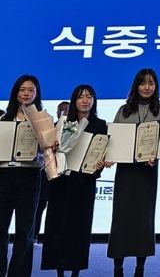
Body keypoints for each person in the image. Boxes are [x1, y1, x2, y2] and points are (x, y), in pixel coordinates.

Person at [107, 68, 160, 277]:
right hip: (125, 173)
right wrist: (110, 155)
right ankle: (118, 268)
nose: (147, 87)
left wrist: (157, 154)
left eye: (151, 83)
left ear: (156, 87)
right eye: (143, 83)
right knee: (121, 219)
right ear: (136, 86)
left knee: (143, 221)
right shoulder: (123, 110)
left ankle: (140, 268)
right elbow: (113, 140)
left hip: (147, 172)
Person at [41, 85, 108, 277]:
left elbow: (102, 151)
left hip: (84, 183)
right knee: (57, 226)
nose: (85, 100)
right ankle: (59, 271)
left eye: (89, 96)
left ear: (94, 100)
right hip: (61, 183)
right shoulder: (62, 123)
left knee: (80, 228)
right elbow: (49, 151)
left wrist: (100, 163)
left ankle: (76, 271)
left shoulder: (100, 125)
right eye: (81, 97)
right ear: (74, 101)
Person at [0, 75, 44, 277]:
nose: (26, 93)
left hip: (29, 175)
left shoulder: (42, 120)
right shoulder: (3, 119)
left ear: (36, 93)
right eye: (22, 89)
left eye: (31, 90)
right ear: (16, 93)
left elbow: (48, 150)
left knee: (25, 230)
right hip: (4, 175)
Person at [34, 101, 68, 244]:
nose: (64, 112)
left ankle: (59, 237)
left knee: (61, 208)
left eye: (67, 110)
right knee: (39, 206)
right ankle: (34, 235)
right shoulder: (50, 129)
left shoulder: (74, 130)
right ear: (57, 113)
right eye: (61, 110)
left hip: (64, 175)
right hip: (45, 174)